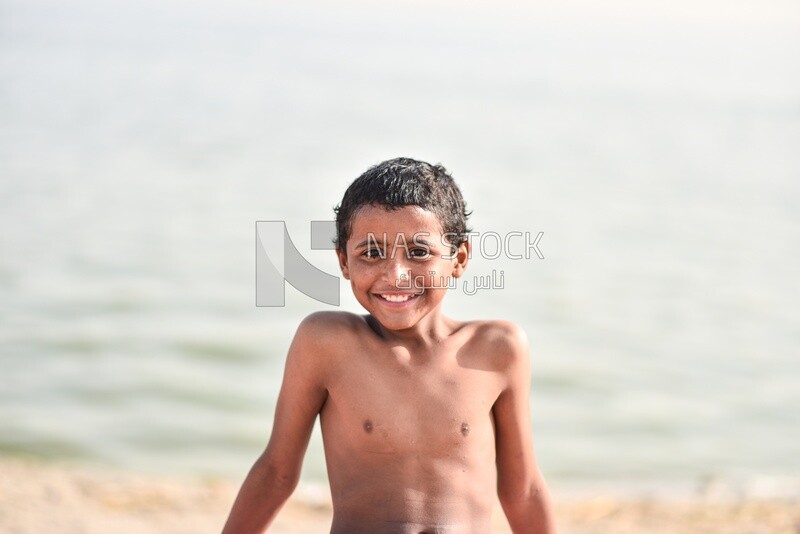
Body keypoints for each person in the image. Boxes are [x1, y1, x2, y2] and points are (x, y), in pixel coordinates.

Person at [222, 157, 555, 533]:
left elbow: (523, 489)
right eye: (372, 253)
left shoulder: (497, 349)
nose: (396, 275)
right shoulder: (327, 342)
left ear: (458, 259)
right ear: (344, 261)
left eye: (418, 252)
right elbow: (276, 473)